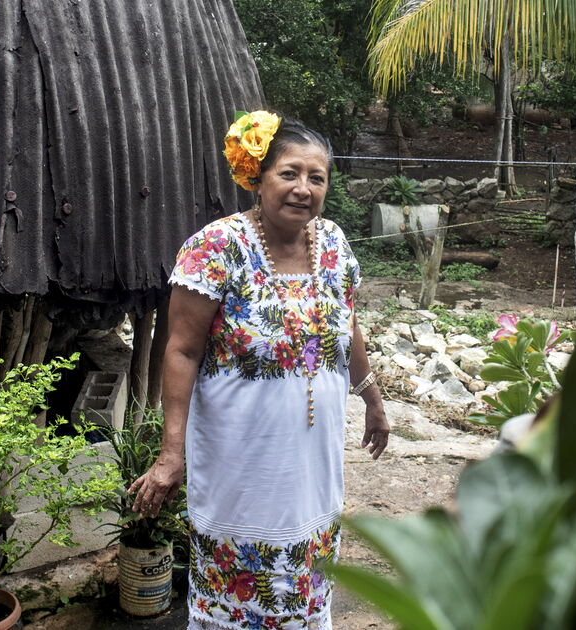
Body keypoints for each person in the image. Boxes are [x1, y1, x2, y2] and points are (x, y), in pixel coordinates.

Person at [128, 110, 389, 630]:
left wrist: (373, 398)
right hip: (240, 459)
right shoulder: (216, 248)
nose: (302, 188)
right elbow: (180, 351)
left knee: (307, 578)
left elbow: (347, 326)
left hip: (312, 460)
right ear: (258, 177)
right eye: (289, 173)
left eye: (317, 178)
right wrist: (170, 453)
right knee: (241, 586)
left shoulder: (334, 244)